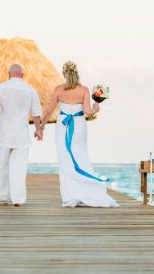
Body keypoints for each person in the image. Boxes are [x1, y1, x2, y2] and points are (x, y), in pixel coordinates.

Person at [41, 61, 119, 207]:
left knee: (65, 159)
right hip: (79, 125)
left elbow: (49, 111)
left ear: (64, 74)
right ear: (77, 73)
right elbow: (87, 112)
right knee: (82, 155)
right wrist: (96, 109)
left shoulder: (58, 89)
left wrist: (41, 127)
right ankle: (87, 192)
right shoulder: (84, 90)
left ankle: (70, 196)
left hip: (63, 125)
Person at [0, 64, 43, 207]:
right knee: (19, 168)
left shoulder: (1, 88)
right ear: (22, 75)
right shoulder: (30, 90)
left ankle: (4, 197)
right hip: (21, 135)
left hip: (5, 134)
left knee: (3, 166)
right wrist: (38, 129)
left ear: (8, 74)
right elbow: (36, 113)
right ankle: (18, 199)